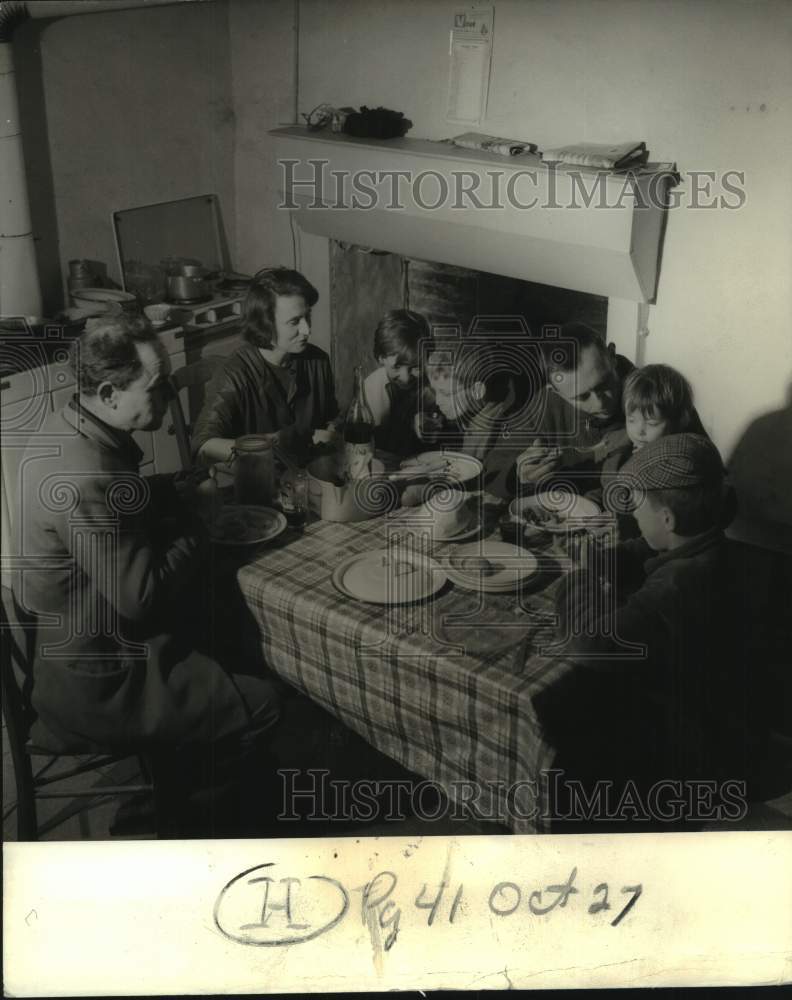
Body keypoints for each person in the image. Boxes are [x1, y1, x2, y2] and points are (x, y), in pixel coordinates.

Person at [13, 315, 281, 837]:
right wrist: (201, 524)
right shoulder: (86, 476)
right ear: (111, 392)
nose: (168, 398)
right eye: (155, 387)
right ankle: (190, 830)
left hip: (71, 645)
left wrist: (167, 490)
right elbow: (142, 597)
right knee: (264, 704)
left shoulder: (66, 425)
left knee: (224, 634)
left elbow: (117, 508)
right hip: (101, 680)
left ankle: (182, 777)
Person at [536, 434, 756, 824]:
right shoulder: (707, 547)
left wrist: (581, 575)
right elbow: (652, 549)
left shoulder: (678, 587)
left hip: (676, 758)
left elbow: (589, 644)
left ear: (668, 518)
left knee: (560, 713)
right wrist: (611, 558)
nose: (633, 515)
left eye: (636, 505)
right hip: (701, 720)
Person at [192, 267, 338, 466]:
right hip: (257, 482)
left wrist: (332, 431)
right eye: (294, 322)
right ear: (265, 325)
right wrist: (267, 445)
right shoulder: (235, 374)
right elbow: (204, 445)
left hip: (307, 476)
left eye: (307, 317)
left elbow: (331, 417)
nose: (307, 329)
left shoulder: (318, 361)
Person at [415, 338, 544, 499]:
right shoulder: (470, 404)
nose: (438, 401)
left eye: (446, 394)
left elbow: (493, 478)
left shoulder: (512, 419)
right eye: (435, 392)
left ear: (478, 391)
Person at [362, 309, 430, 456]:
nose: (406, 377)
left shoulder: (430, 385)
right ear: (381, 358)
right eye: (397, 367)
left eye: (415, 367)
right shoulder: (369, 389)